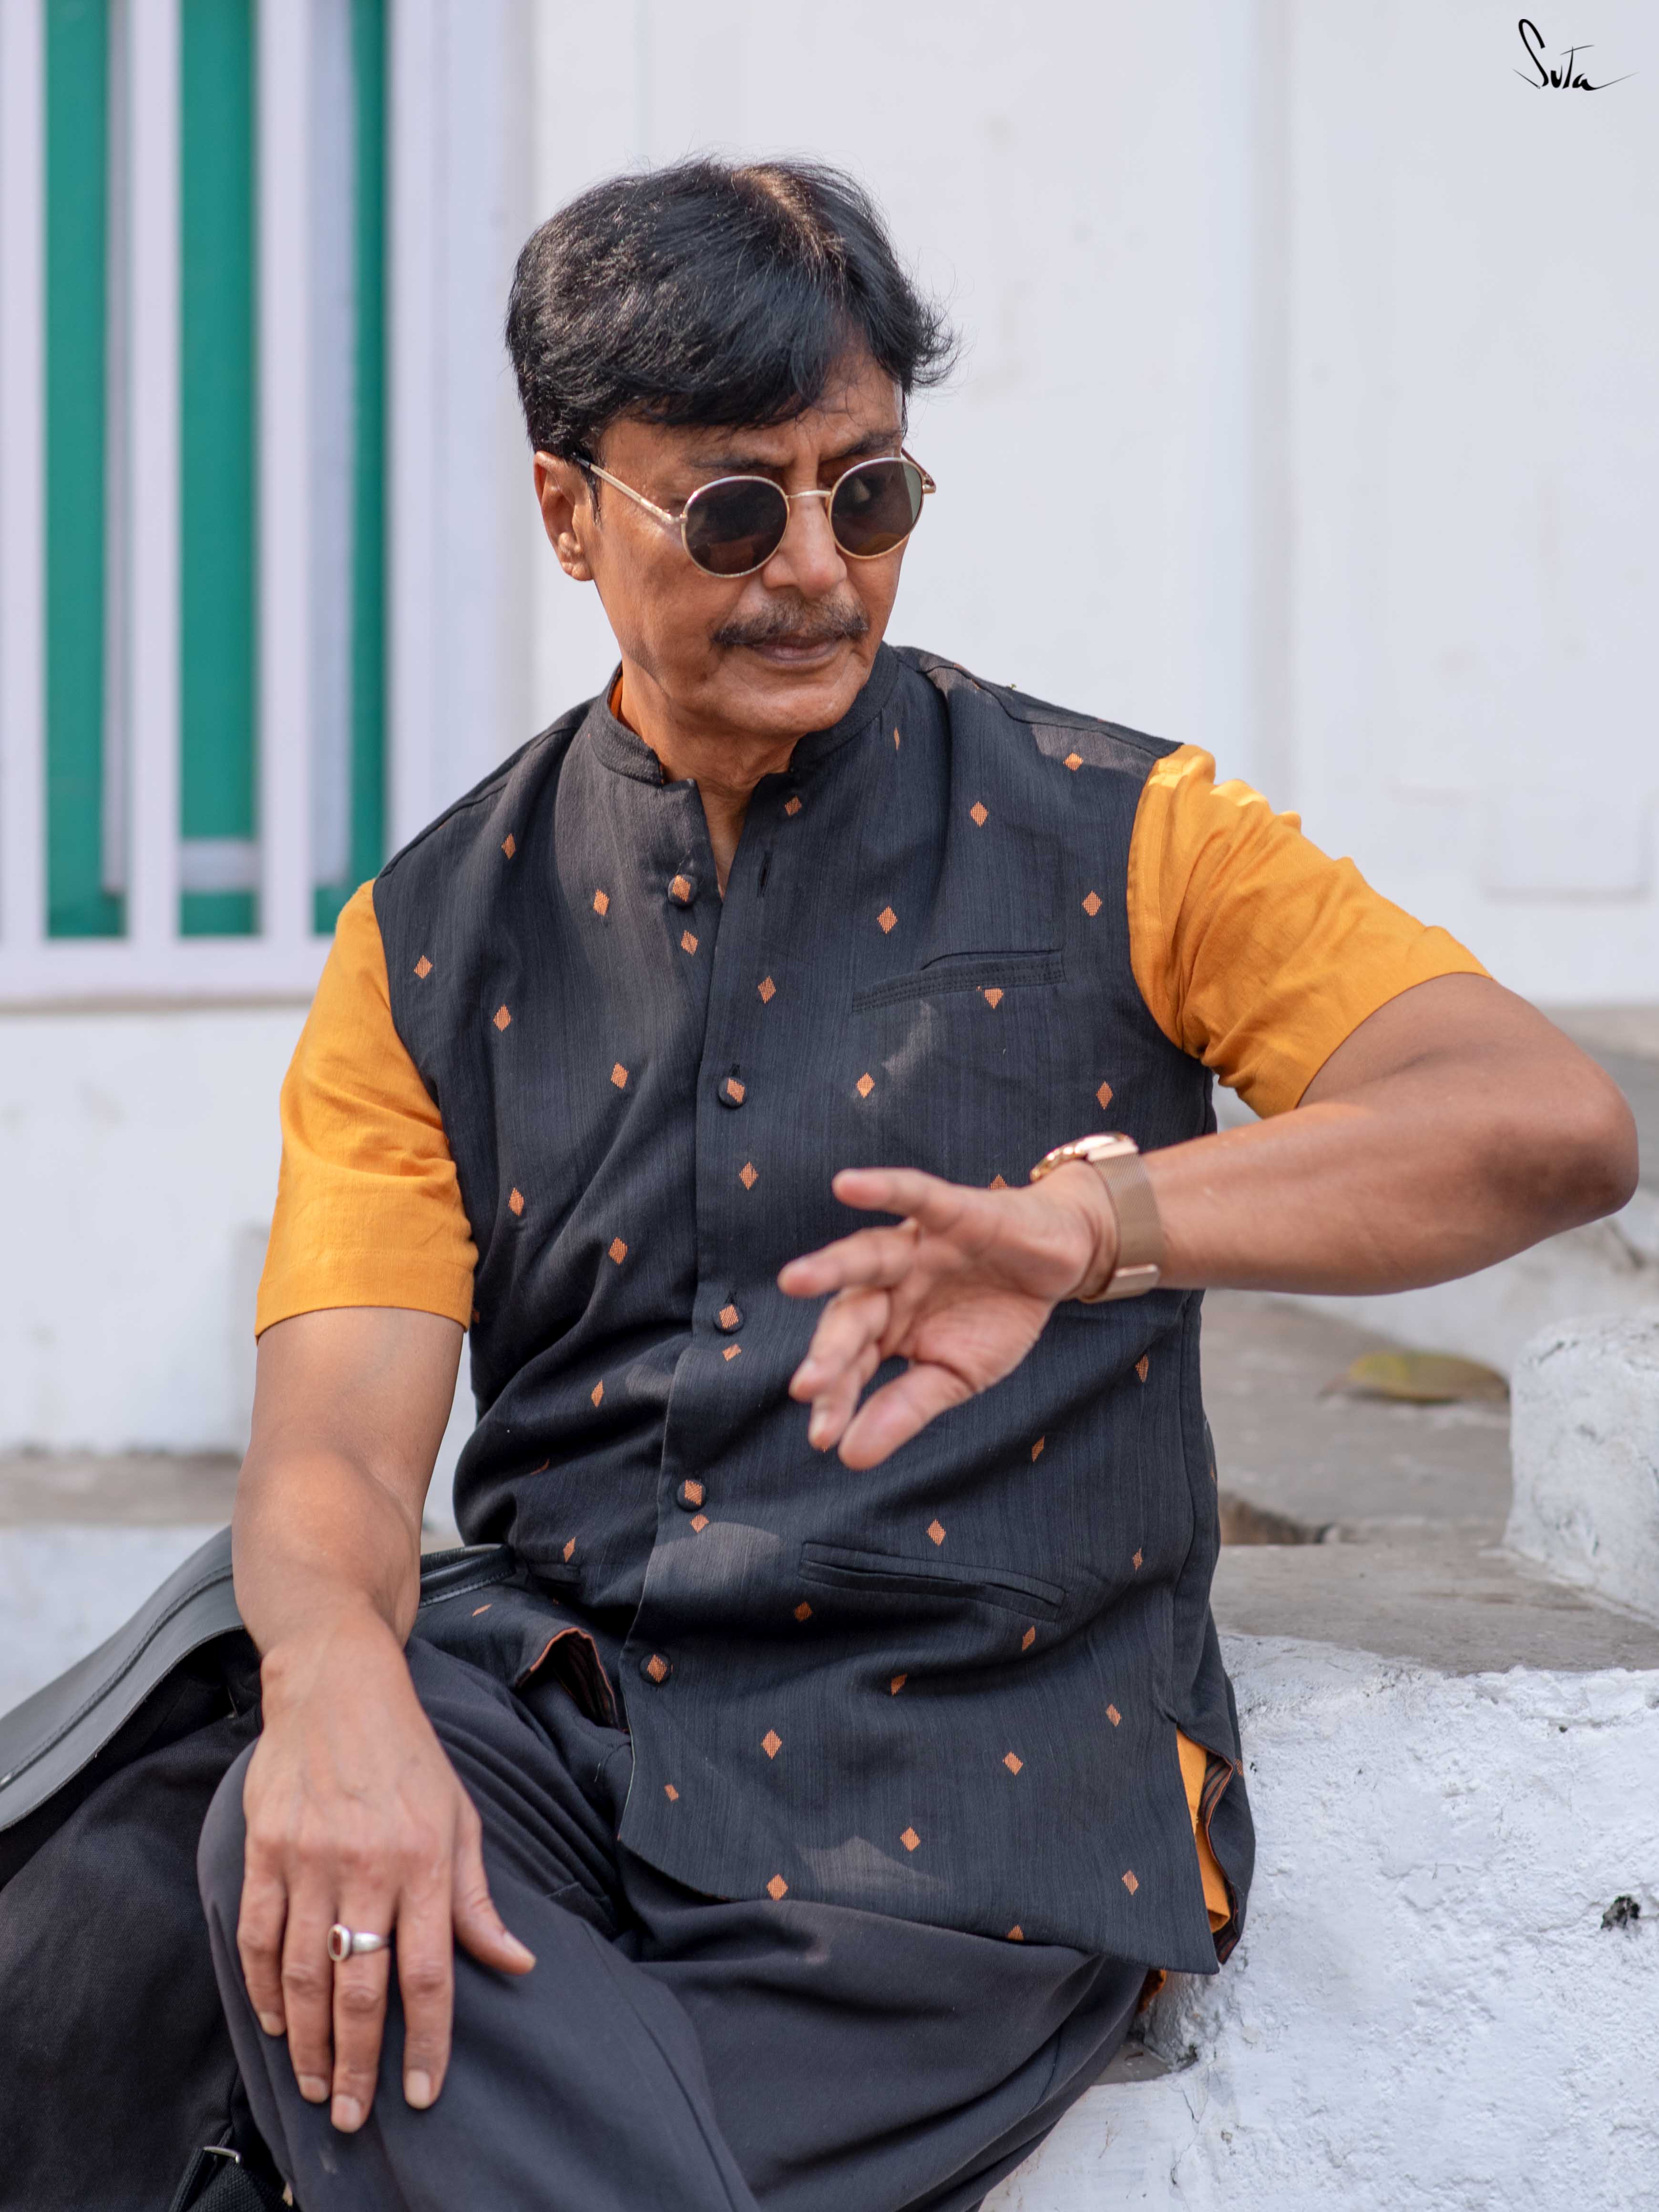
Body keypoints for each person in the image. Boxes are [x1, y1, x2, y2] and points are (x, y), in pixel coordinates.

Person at [0, 159, 1636, 2212]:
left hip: (971, 1801)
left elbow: (1544, 1120)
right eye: (733, 510)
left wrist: (1101, 1225)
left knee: (329, 2083)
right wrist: (333, 1696)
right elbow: (334, 1445)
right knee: (264, 1832)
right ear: (569, 509)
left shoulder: (1133, 839)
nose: (814, 572)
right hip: (577, 1735)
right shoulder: (427, 942)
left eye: (867, 498)